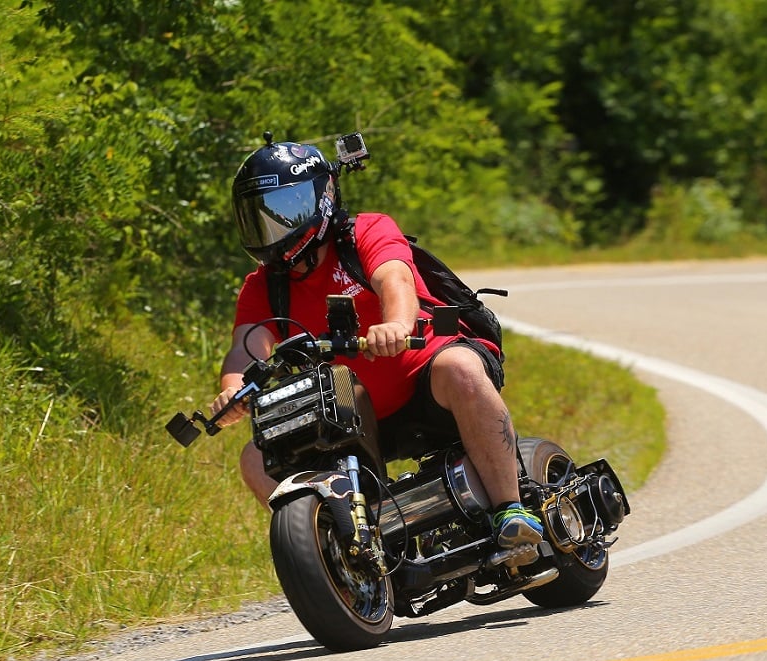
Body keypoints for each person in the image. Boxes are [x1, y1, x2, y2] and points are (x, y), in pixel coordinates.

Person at [209, 137, 543, 564]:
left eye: (280, 211)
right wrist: (233, 388)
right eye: (258, 216)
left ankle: (510, 511)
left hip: (427, 380)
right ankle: (337, 559)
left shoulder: (367, 231)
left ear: (320, 199)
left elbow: (395, 280)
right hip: (351, 414)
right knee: (256, 457)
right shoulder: (263, 286)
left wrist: (397, 325)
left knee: (459, 366)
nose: (269, 228)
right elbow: (246, 347)